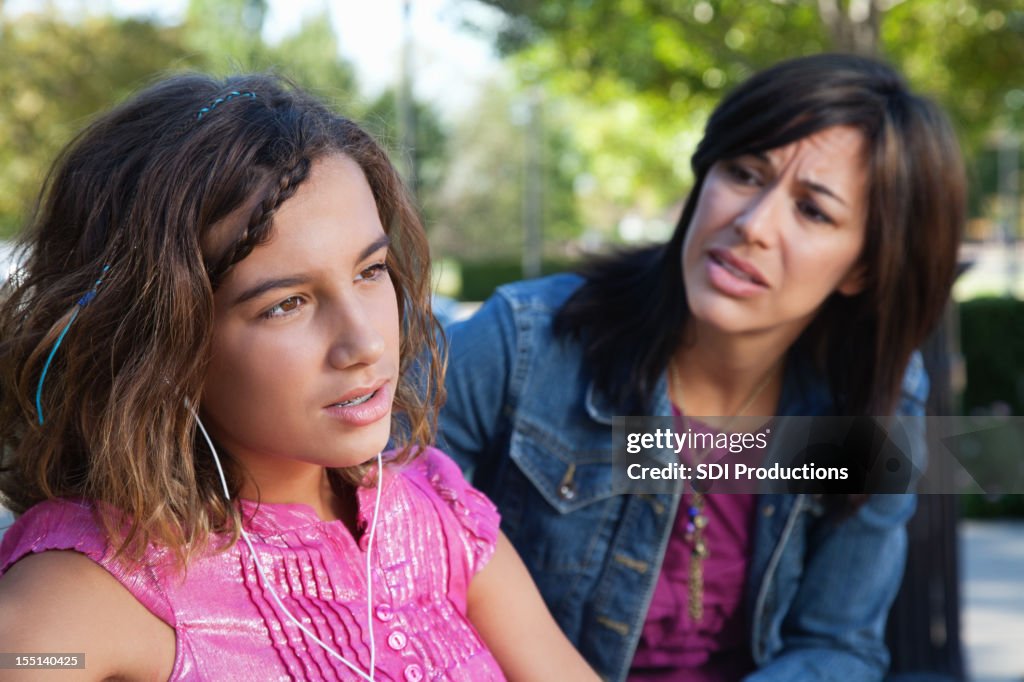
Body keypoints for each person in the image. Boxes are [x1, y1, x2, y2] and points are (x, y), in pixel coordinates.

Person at [0, 73, 597, 681]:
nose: (364, 344)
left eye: (370, 270)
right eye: (286, 303)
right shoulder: (77, 600)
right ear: (159, 344)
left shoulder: (434, 508)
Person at [438, 53, 965, 681]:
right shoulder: (525, 342)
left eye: (813, 210)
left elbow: (835, 645)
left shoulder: (872, 396)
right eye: (744, 173)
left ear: (864, 267)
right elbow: (378, 537)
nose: (753, 224)